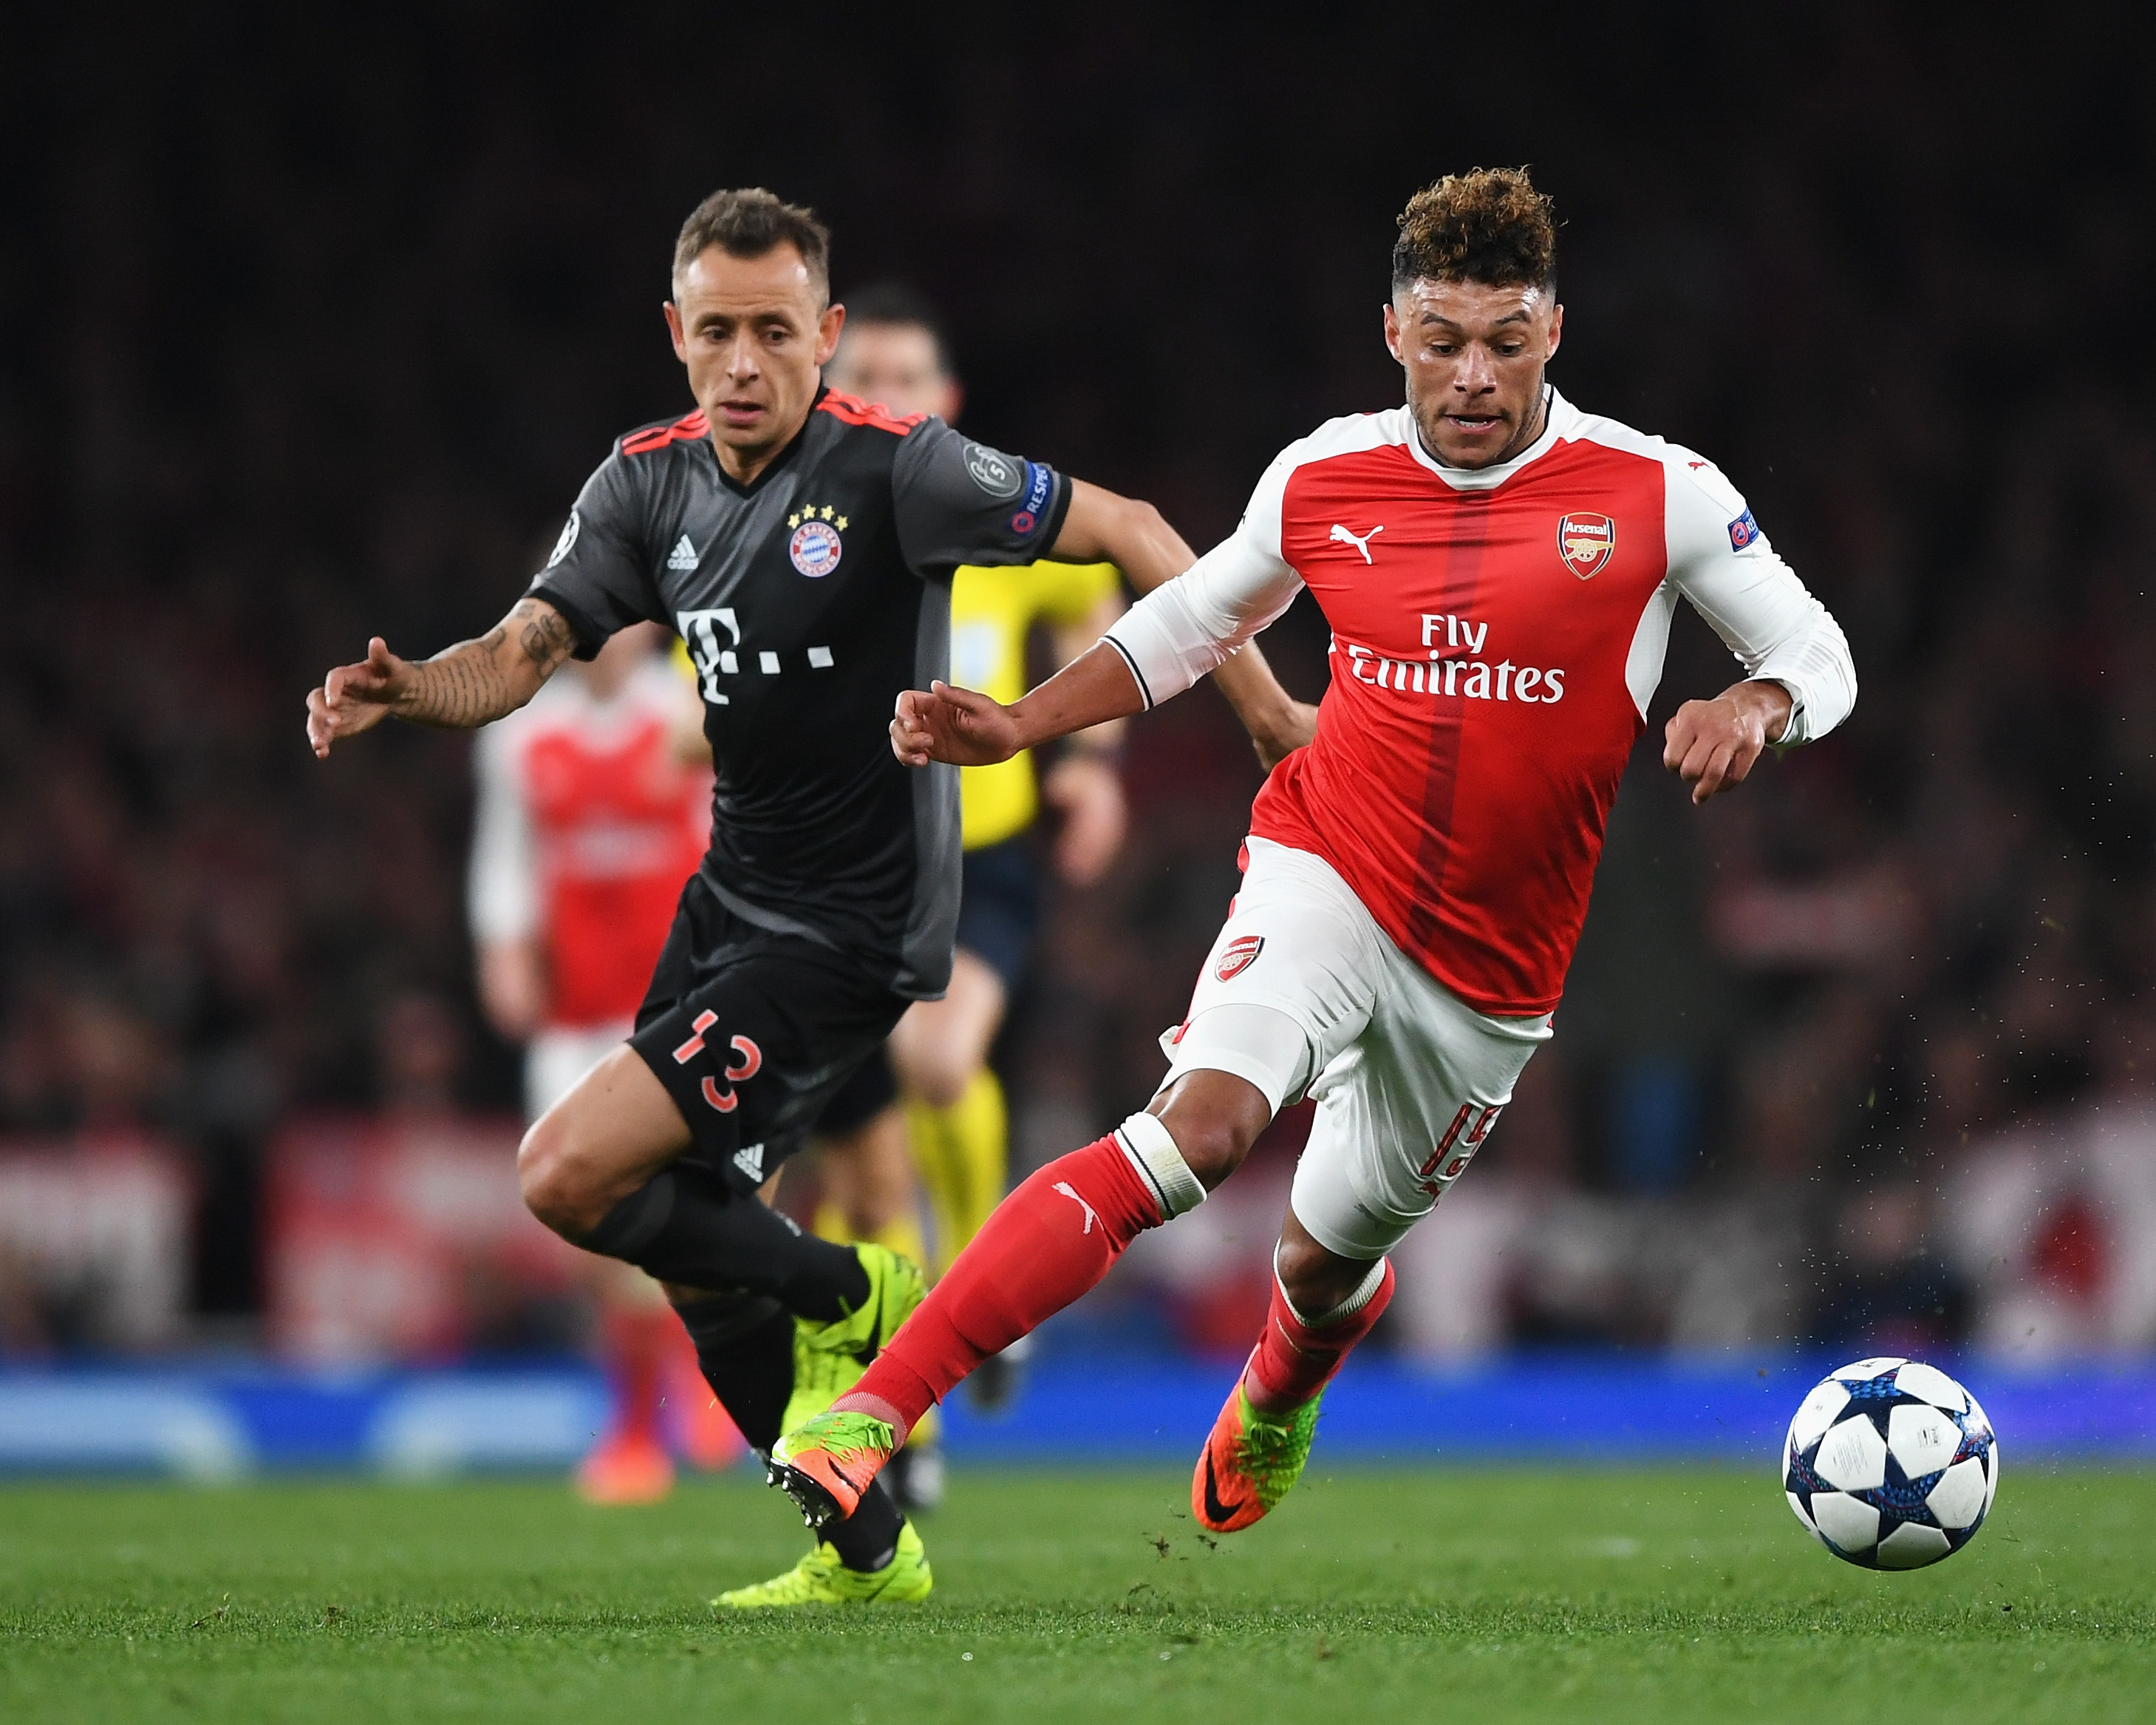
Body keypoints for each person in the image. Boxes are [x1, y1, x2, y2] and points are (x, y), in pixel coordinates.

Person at [776, 167, 1859, 1548]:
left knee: (1325, 1251)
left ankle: (1285, 1377)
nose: (1472, 375)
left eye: (1505, 342)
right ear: (1392, 330)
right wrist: (1021, 724)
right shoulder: (1324, 471)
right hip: (1325, 858)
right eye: (1443, 339)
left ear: (1553, 334)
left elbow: (1814, 649)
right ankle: (876, 1412)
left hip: (1487, 972)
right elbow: (1188, 621)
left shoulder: (1655, 493)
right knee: (1198, 1129)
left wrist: (1751, 703)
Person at [304, 187, 1310, 1607]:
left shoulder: (899, 471)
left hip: (856, 921)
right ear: (674, 332)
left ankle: (854, 1289)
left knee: (565, 1171)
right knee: (694, 1251)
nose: (740, 363)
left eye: (773, 332)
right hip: (732, 900)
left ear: (824, 335)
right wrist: (413, 688)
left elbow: (1137, 529)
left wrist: (1264, 710)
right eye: (713, 331)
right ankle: (863, 1548)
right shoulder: (640, 484)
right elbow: (520, 653)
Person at [816, 286, 1139, 1429]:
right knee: (854, 1150)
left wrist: (1090, 765)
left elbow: (1097, 611)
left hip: (981, 849)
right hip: (844, 860)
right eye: (868, 379)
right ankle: (905, 1389)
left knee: (940, 1067)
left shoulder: (999, 511)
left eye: (910, 380)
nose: (888, 398)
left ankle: (975, 1283)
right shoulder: (804, 526)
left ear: (944, 401)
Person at [469, 618, 736, 1504]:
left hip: (676, 1005)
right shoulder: (522, 734)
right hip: (575, 1015)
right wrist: (504, 950)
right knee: (582, 1215)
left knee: (691, 1201)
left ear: (648, 626)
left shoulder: (687, 717)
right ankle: (669, 1382)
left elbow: (730, 840)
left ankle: (640, 1429)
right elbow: (505, 859)